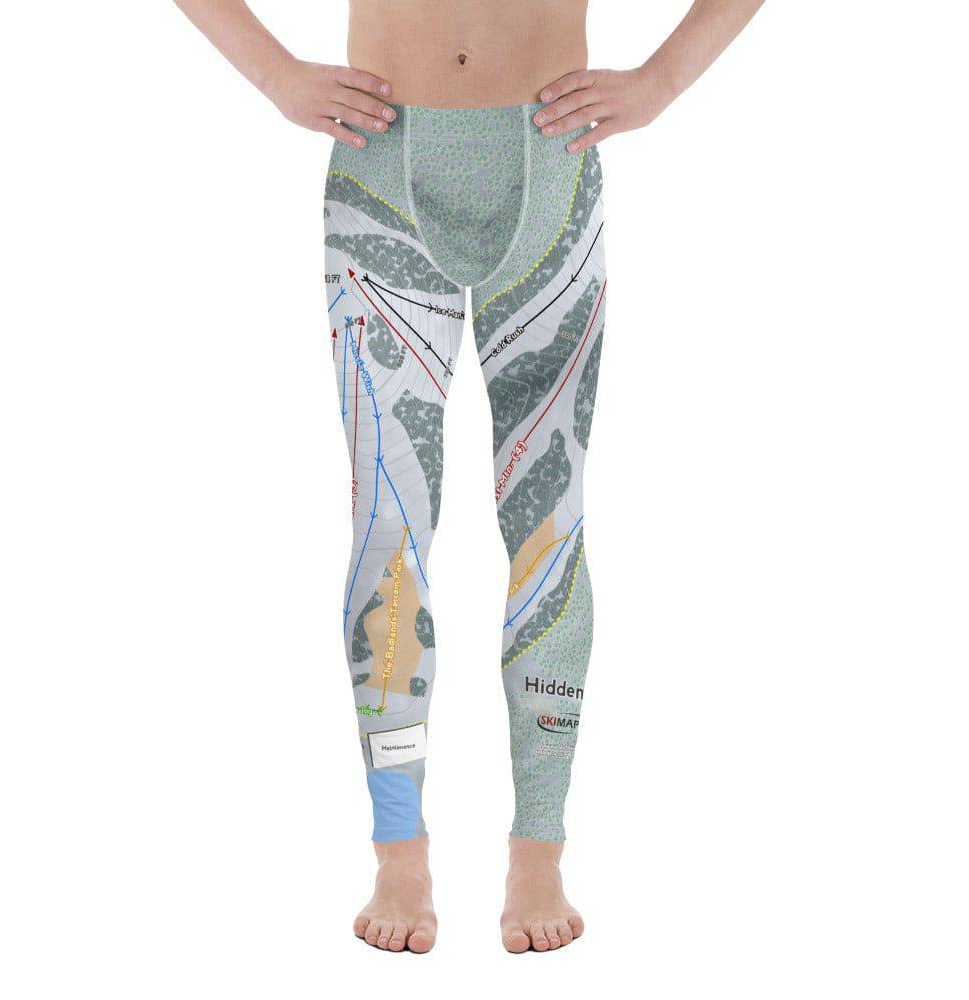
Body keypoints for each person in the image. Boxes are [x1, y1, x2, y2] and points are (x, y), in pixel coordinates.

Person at [173, 0, 766, 954]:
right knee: (390, 525)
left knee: (548, 526)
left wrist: (660, 82)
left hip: (550, 167)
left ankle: (540, 846)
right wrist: (278, 74)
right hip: (379, 171)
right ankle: (398, 849)